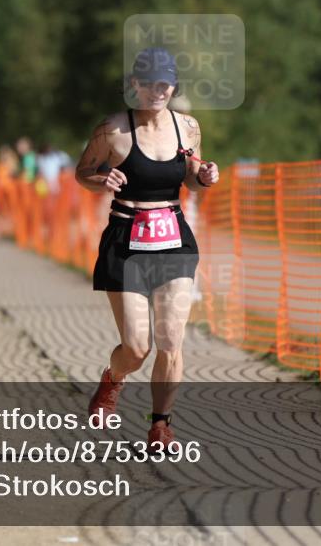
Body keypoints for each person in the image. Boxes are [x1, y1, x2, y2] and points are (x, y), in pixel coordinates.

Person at [75, 47, 220, 449]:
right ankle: (113, 378)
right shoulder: (113, 131)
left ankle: (160, 426)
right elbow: (83, 172)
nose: (158, 91)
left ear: (173, 86)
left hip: (174, 240)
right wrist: (101, 179)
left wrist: (205, 176)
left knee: (171, 340)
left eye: (165, 83)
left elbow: (190, 176)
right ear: (133, 85)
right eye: (149, 83)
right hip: (126, 241)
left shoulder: (187, 127)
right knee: (137, 348)